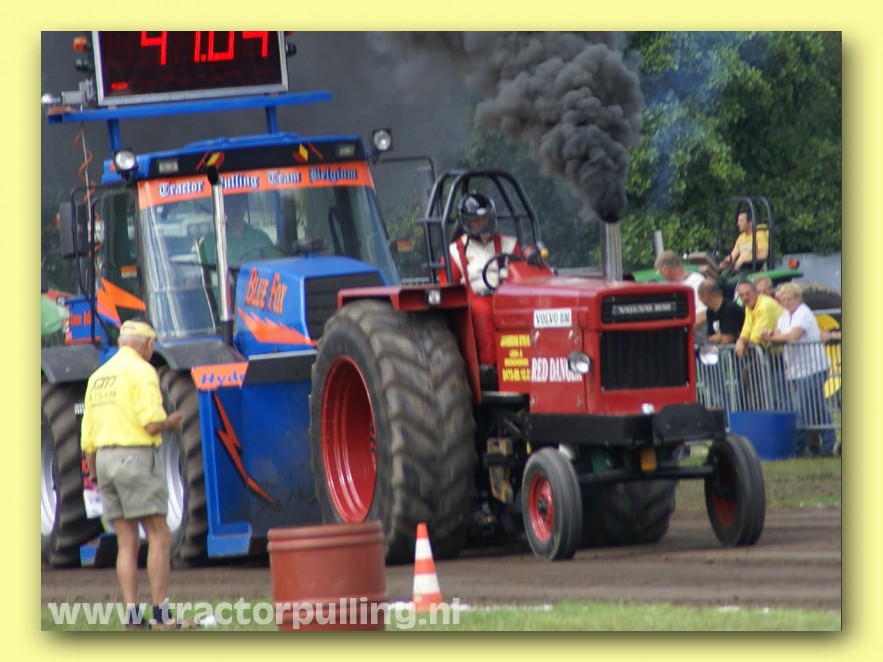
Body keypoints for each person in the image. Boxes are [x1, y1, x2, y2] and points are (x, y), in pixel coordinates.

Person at [80, 319, 195, 630]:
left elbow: (87, 437)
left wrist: (94, 473)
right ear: (148, 345)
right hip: (135, 458)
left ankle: (132, 615)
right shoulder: (142, 371)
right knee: (159, 535)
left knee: (126, 541)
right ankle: (161, 615)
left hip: (104, 461)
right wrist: (171, 422)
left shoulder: (98, 377)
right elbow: (151, 424)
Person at [445, 192, 542, 372]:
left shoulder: (508, 243)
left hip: (506, 295)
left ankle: (529, 362)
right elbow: (446, 285)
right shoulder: (455, 251)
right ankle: (489, 368)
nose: (481, 224)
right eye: (476, 220)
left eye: (484, 219)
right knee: (483, 312)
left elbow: (523, 266)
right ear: (466, 222)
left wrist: (531, 254)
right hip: (473, 297)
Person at [761, 283, 837, 457]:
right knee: (818, 410)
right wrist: (771, 335)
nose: (786, 302)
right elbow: (779, 333)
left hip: (813, 369)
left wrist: (772, 337)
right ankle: (830, 445)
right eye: (783, 299)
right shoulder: (784, 316)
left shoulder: (803, 313)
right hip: (796, 370)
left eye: (789, 298)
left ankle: (797, 450)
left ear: (798, 298)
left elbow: (793, 336)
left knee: (801, 410)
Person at [734, 279, 783, 409]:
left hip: (781, 352)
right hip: (770, 352)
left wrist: (743, 342)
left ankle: (762, 409)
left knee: (751, 373)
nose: (744, 298)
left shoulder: (764, 306)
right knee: (749, 372)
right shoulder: (750, 307)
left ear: (756, 292)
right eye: (741, 295)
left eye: (747, 294)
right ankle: (759, 408)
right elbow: (747, 328)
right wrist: (741, 340)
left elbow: (757, 335)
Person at [199, 195, 273, 268]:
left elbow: (276, 266)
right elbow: (204, 272)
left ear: (245, 206)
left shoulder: (261, 237)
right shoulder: (210, 242)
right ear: (224, 207)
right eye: (232, 204)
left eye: (240, 203)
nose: (236, 208)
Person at [655, 250, 707, 341]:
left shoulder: (696, 281)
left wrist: (682, 334)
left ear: (666, 269)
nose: (661, 276)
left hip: (697, 341)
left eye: (659, 272)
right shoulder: (671, 286)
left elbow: (703, 314)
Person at [698, 278, 745, 344]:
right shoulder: (710, 311)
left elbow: (727, 340)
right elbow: (710, 338)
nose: (699, 299)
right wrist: (721, 336)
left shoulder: (730, 309)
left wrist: (720, 337)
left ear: (706, 295)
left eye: (700, 295)